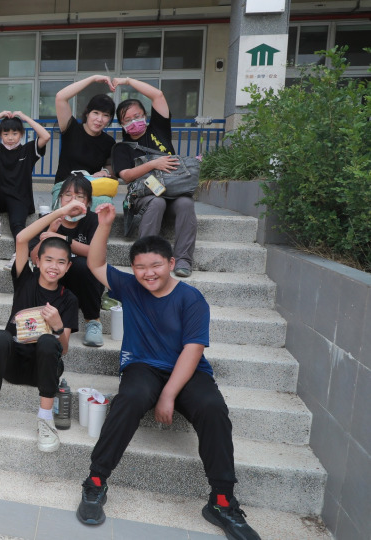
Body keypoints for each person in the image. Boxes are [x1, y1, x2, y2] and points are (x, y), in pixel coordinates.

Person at [75, 203, 260, 540]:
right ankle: (96, 481)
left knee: (213, 408)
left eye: (156, 265)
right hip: (141, 365)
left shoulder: (191, 299)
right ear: (133, 269)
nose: (148, 273)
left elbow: (193, 350)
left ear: (171, 263)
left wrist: (168, 395)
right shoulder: (129, 287)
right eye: (140, 267)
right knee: (130, 397)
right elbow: (96, 263)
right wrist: (104, 225)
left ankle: (221, 501)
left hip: (187, 370)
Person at [0, 201, 84, 453]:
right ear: (37, 260)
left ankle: (45, 420)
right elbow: (21, 238)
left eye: (61, 262)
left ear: (68, 266)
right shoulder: (24, 280)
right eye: (48, 260)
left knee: (48, 341)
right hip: (13, 365)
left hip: (43, 370)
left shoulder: (69, 299)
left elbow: (63, 350)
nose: (54, 266)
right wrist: (61, 212)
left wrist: (58, 326)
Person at [110, 77, 196, 278]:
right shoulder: (121, 148)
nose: (133, 122)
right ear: (121, 124)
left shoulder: (159, 130)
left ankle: (183, 260)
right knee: (157, 202)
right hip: (144, 197)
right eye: (127, 120)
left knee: (186, 204)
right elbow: (126, 176)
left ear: (145, 115)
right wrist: (153, 164)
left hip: (173, 192)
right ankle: (145, 257)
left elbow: (158, 95)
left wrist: (127, 81)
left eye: (137, 116)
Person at [29, 174, 106, 347]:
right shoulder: (49, 218)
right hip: (55, 281)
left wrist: (63, 239)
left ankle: (93, 321)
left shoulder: (94, 220)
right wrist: (50, 232)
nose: (73, 201)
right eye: (68, 195)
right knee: (38, 271)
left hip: (85, 283)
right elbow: (35, 258)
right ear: (60, 198)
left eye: (80, 196)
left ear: (88, 202)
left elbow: (97, 254)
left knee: (82, 265)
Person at [0, 111, 50, 239]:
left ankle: (23, 250)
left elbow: (46, 136)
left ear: (21, 134)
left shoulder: (28, 150)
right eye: (6, 134)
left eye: (15, 134)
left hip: (19, 199)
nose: (10, 138)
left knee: (17, 226)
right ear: (0, 135)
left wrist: (25, 117)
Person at [53, 76, 117, 183]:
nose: (99, 119)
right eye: (95, 113)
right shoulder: (71, 128)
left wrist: (105, 171)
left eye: (105, 115)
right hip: (64, 187)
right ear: (87, 113)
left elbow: (110, 166)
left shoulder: (109, 142)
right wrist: (93, 78)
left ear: (110, 119)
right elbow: (60, 97)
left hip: (91, 188)